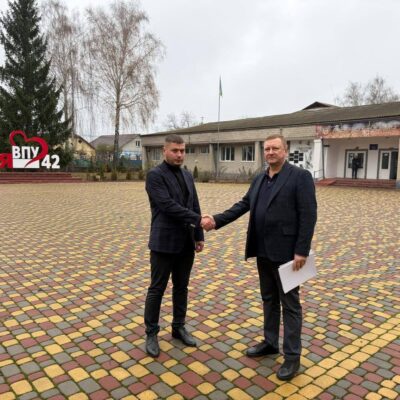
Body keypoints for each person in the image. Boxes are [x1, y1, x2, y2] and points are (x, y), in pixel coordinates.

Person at [202, 134, 317, 381]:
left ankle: (292, 357)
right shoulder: (259, 179)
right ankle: (270, 342)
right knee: (268, 299)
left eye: (275, 148)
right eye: (267, 149)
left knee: (290, 306)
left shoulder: (300, 177)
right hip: (262, 251)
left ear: (285, 150)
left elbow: (308, 215)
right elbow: (243, 205)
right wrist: (216, 220)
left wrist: (302, 250)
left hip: (287, 254)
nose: (270, 152)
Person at [144, 134, 205, 357]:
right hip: (163, 242)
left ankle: (178, 327)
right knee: (157, 289)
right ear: (165, 151)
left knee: (181, 287)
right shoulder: (155, 176)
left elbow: (194, 204)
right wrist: (199, 220)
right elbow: (168, 206)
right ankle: (151, 333)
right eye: (175, 151)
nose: (179, 155)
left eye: (182, 151)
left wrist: (198, 234)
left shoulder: (187, 175)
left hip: (185, 243)